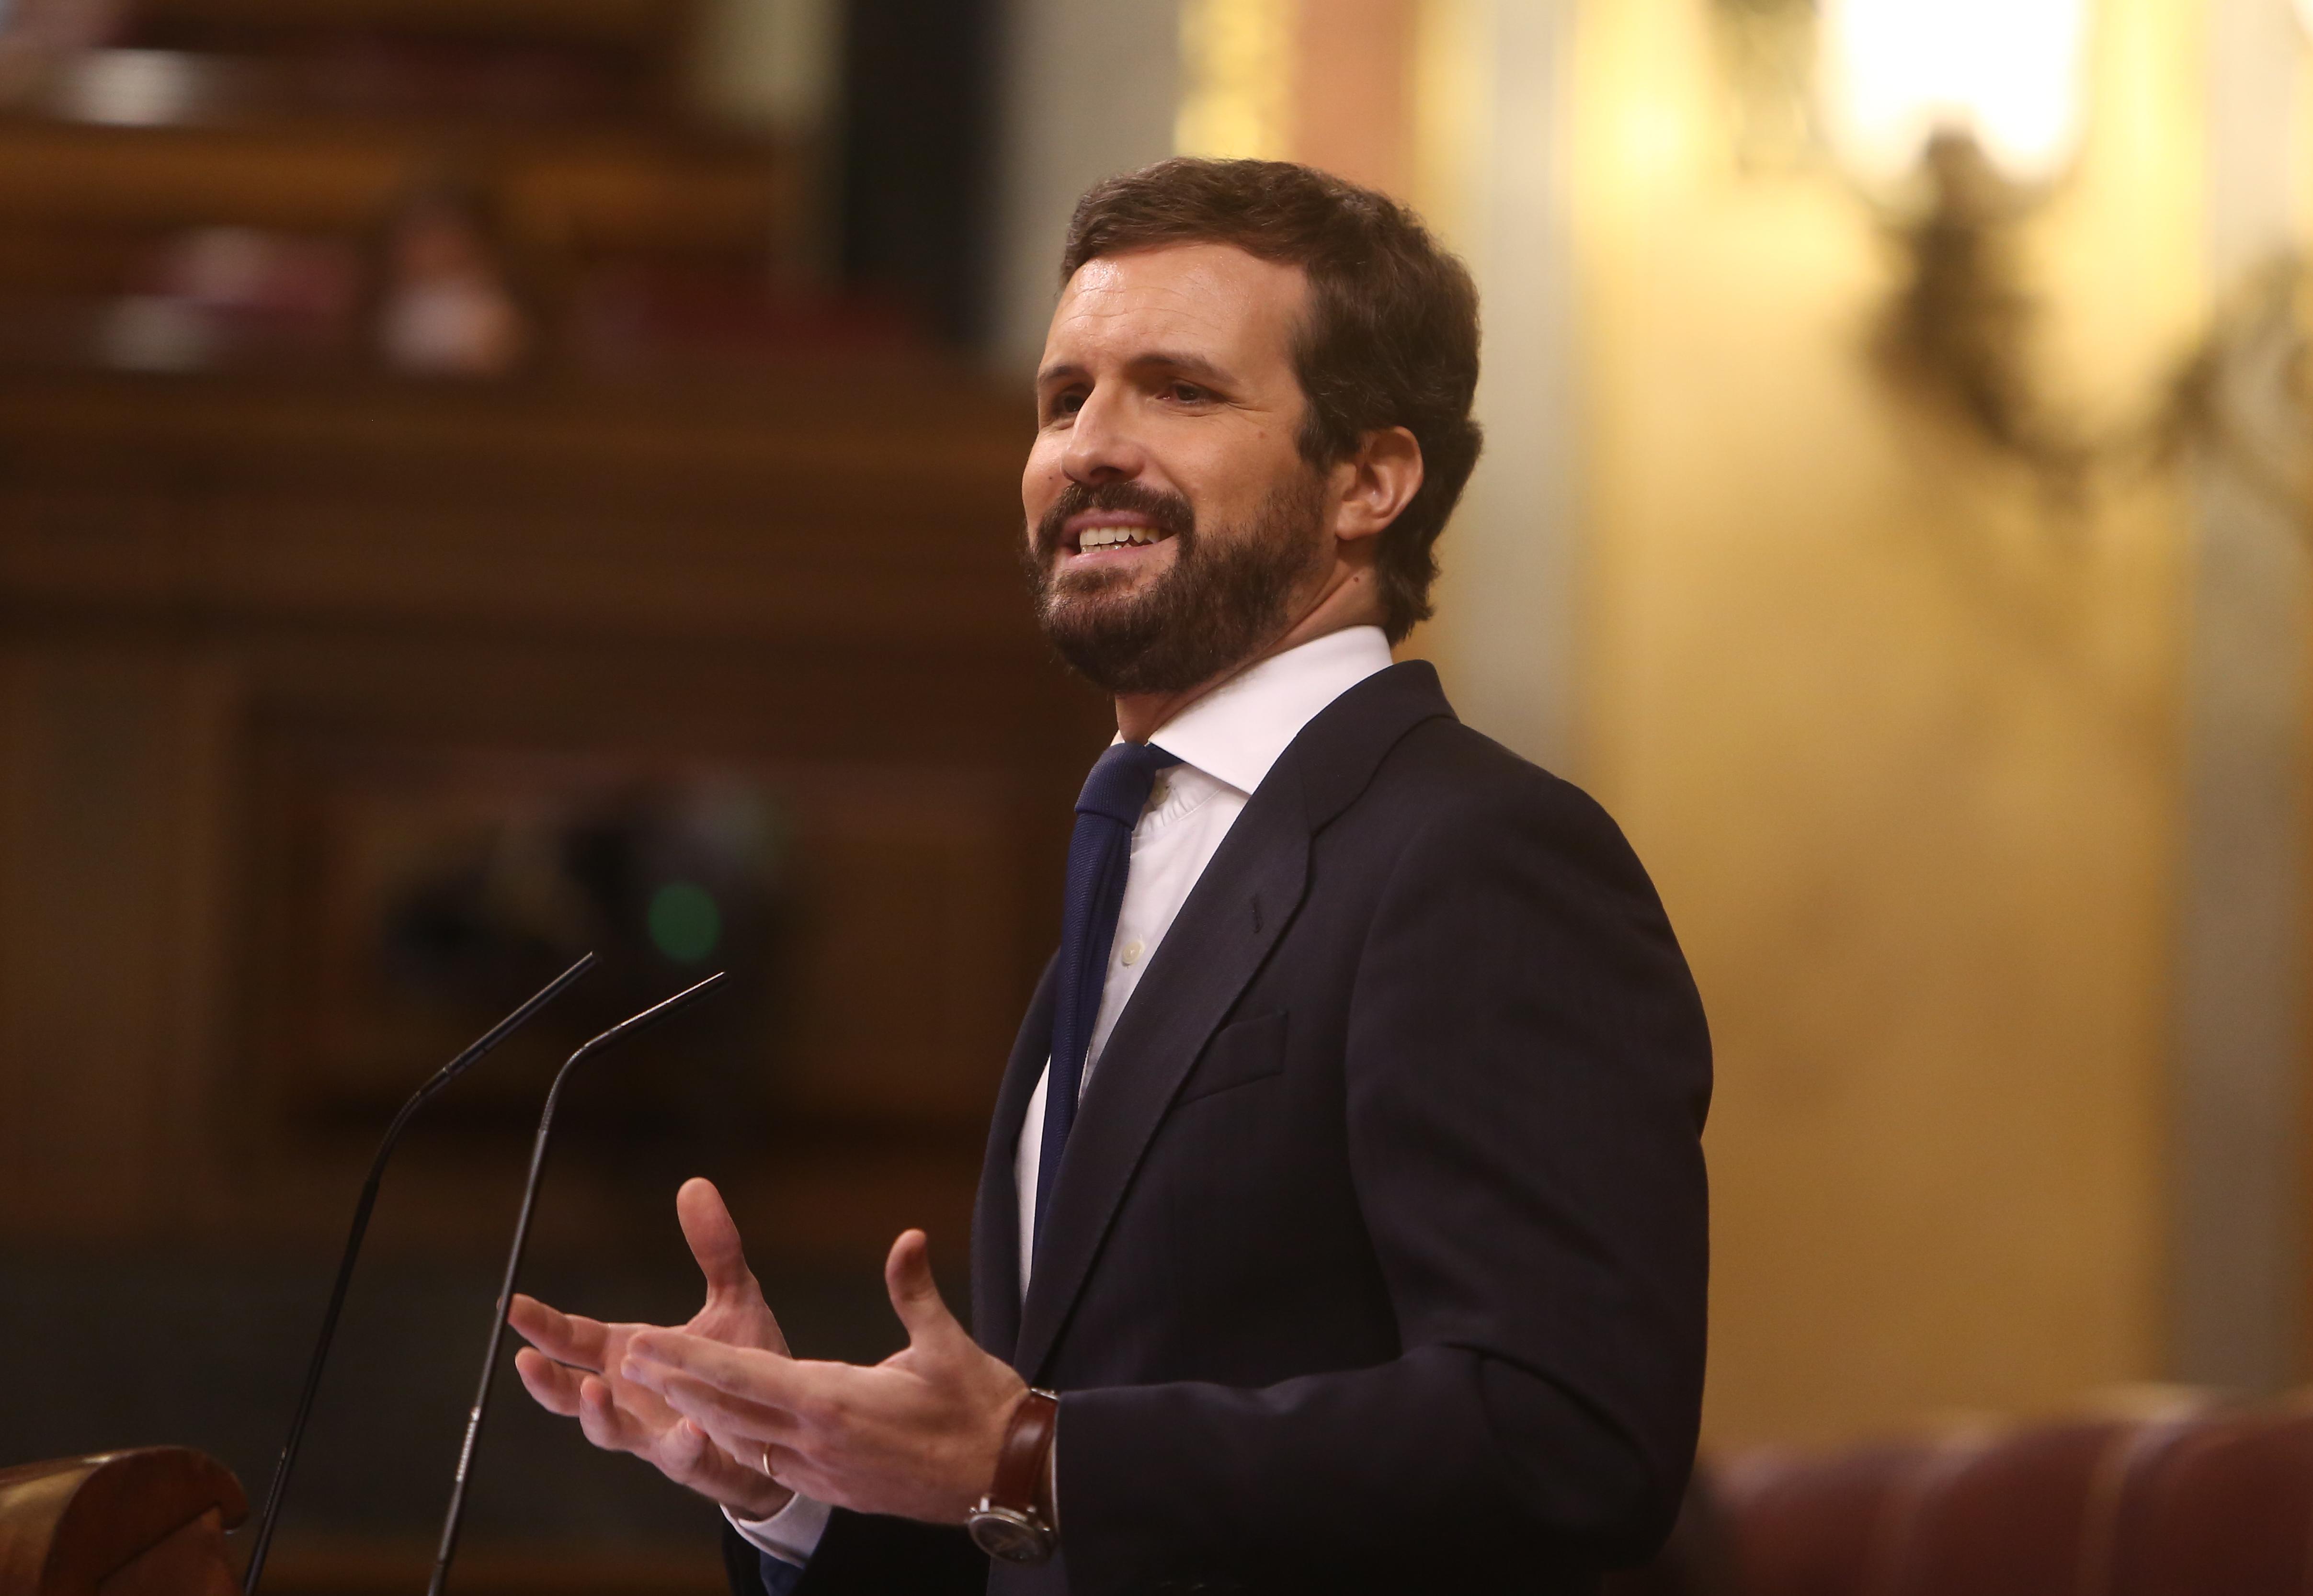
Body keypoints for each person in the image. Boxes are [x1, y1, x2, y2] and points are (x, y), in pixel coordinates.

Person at [507, 157, 1710, 1595]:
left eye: (1181, 392)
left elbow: (1568, 1438)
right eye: (1063, 396)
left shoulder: (1478, 857)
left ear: (1370, 480)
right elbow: (1054, 1541)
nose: (1088, 446)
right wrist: (804, 1484)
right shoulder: (1140, 861)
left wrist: (1030, 1452)